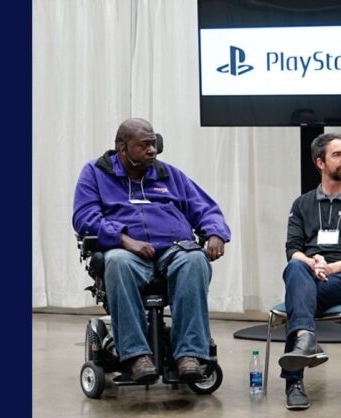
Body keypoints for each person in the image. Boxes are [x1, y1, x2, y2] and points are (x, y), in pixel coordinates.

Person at [72, 117, 231, 384]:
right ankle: (136, 356)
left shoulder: (168, 174)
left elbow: (206, 209)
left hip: (172, 250)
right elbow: (83, 217)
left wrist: (216, 232)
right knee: (118, 262)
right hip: (126, 253)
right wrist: (123, 239)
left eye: (154, 144)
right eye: (144, 145)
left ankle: (189, 354)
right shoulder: (95, 173)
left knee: (194, 259)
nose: (152, 150)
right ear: (122, 149)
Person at [278, 133, 341, 410]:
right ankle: (306, 341)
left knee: (297, 296)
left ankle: (295, 378)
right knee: (297, 268)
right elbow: (292, 249)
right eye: (337, 155)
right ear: (320, 163)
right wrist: (312, 264)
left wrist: (330, 268)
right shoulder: (302, 204)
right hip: (310, 276)